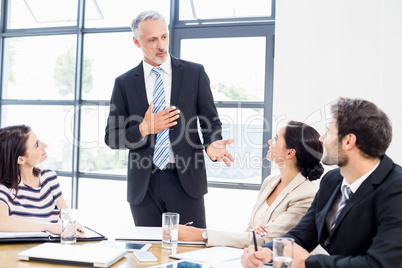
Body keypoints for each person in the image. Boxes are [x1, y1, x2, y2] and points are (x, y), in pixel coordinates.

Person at [104, 10, 234, 228]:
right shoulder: (124, 83)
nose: (161, 45)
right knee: (150, 256)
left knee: (190, 254)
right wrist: (144, 129)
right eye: (152, 40)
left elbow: (210, 120)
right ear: (136, 42)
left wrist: (211, 143)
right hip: (144, 187)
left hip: (186, 181)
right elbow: (111, 138)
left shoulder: (195, 73)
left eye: (164, 36)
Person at [241, 97, 402, 268]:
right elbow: (304, 234)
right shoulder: (332, 180)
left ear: (348, 141)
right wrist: (268, 252)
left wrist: (308, 262)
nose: (322, 139)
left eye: (329, 133)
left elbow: (382, 263)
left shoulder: (396, 189)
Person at [178, 121, 324, 248]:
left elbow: (266, 239)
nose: (269, 142)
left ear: (290, 153)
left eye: (276, 139)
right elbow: (251, 233)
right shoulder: (270, 182)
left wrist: (201, 234)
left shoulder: (306, 194)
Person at [0, 125, 84, 236]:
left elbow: (66, 214)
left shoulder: (49, 177)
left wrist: (75, 225)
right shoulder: (5, 188)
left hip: (49, 249)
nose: (44, 146)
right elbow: (2, 222)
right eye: (36, 145)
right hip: (20, 251)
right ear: (20, 159)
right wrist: (48, 227)